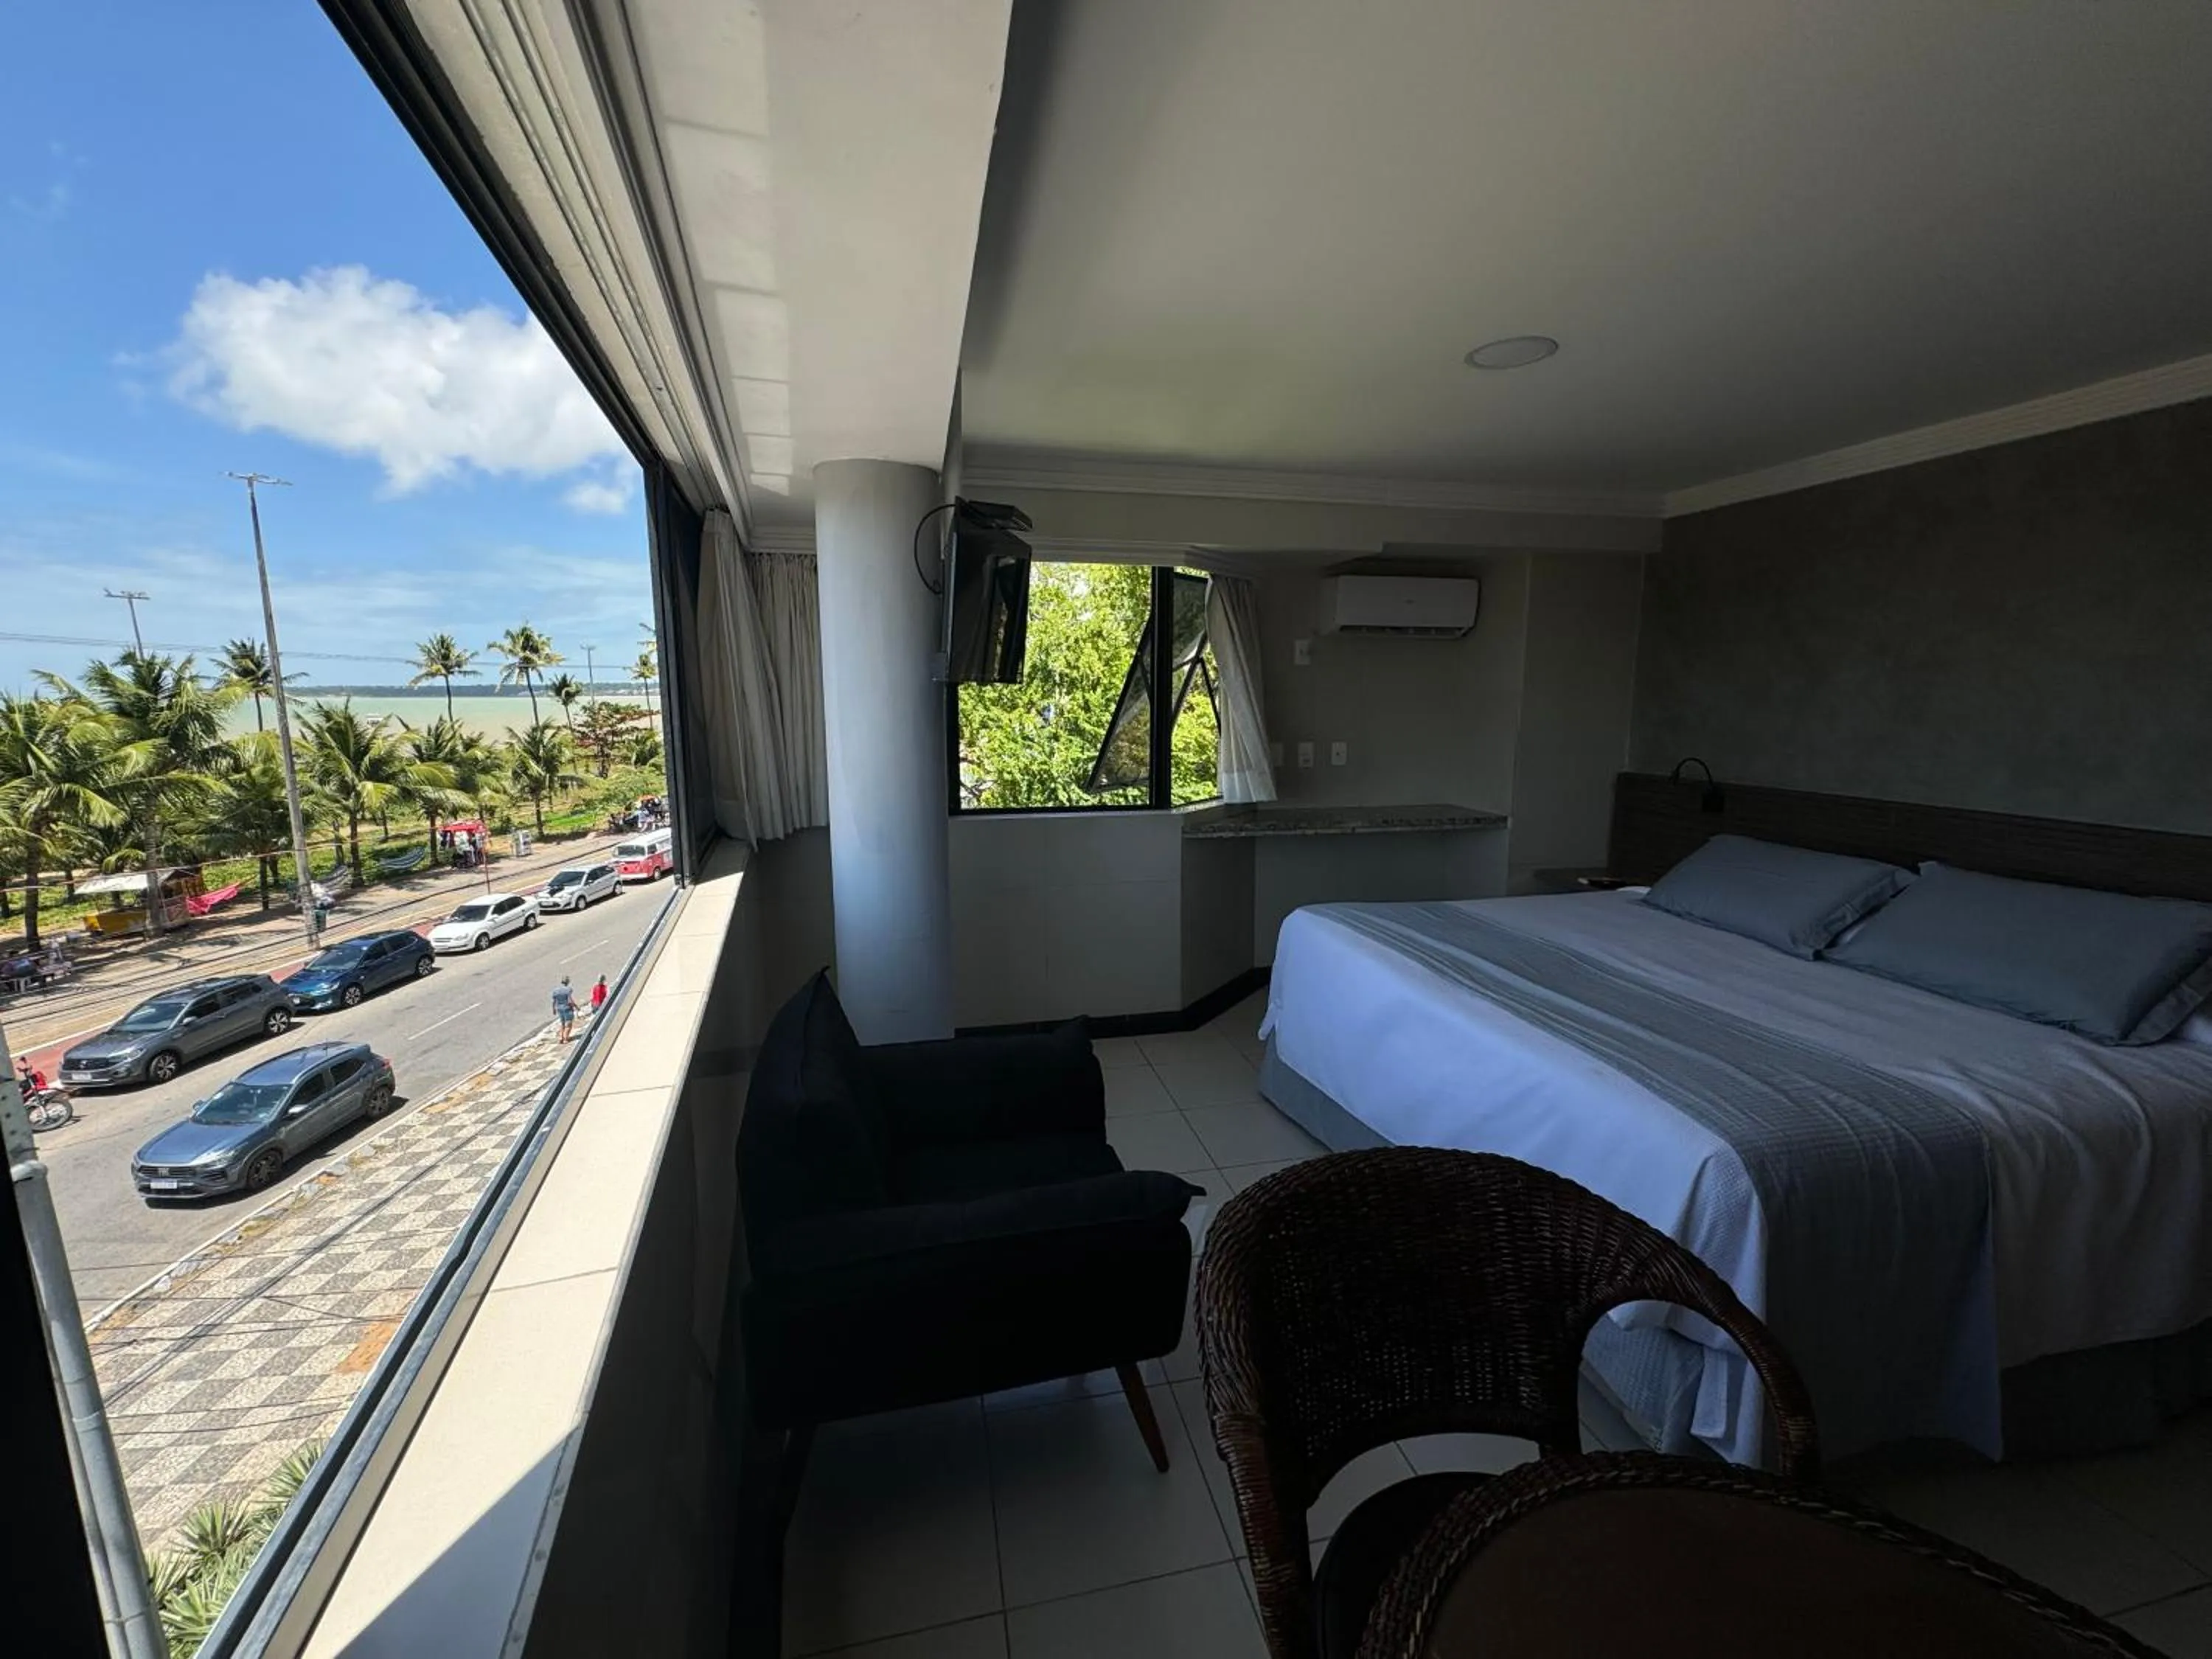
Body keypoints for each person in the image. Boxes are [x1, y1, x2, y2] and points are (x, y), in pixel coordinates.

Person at [552, 975, 577, 1043]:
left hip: (559, 1009)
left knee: (562, 1024)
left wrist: (554, 1009)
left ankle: (561, 1037)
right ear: (568, 982)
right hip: (567, 1009)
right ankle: (566, 1038)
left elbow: (554, 1001)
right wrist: (576, 1006)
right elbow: (570, 1001)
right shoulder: (568, 990)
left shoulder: (556, 991)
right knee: (569, 1025)